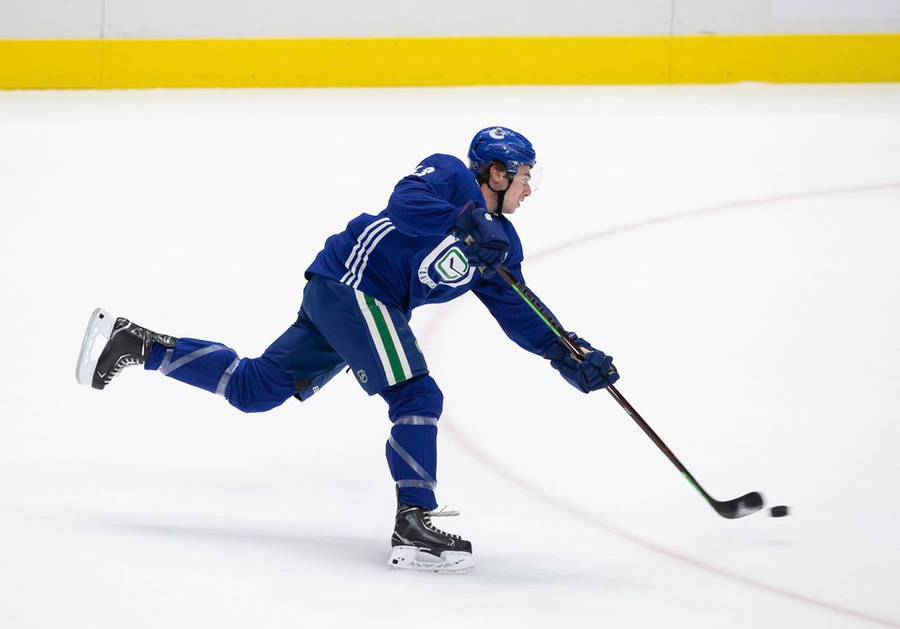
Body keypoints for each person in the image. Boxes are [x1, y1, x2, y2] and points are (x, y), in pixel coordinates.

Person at [76, 126, 619, 573]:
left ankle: (139, 344)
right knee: (417, 395)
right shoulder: (448, 174)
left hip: (353, 301)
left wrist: (568, 353)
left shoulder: (500, 244)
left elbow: (518, 307)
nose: (530, 189)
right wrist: (465, 220)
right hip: (354, 287)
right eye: (525, 176)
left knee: (254, 390)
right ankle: (414, 523)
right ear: (497, 173)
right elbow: (406, 203)